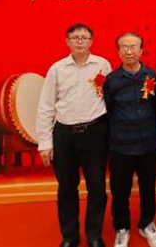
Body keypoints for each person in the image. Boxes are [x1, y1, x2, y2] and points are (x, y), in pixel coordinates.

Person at [36, 23, 112, 247]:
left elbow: (111, 98)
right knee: (67, 188)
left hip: (95, 133)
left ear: (91, 42)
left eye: (84, 37)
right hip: (64, 135)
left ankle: (94, 235)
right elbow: (46, 106)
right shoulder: (57, 69)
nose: (80, 41)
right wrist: (44, 142)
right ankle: (69, 236)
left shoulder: (102, 65)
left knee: (97, 187)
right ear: (67, 41)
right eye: (75, 37)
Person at [104, 32, 156, 247]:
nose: (129, 51)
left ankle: (147, 223)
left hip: (148, 144)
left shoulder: (150, 75)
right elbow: (108, 111)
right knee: (120, 191)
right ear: (118, 51)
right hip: (120, 145)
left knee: (148, 187)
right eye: (124, 47)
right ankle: (122, 228)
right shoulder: (111, 80)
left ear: (141, 50)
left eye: (133, 47)